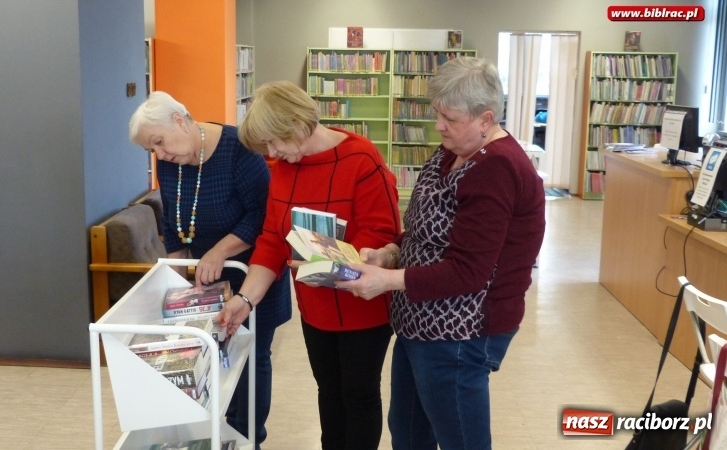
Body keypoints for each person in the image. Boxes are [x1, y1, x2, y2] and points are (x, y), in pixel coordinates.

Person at [336, 57, 546, 450]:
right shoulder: (454, 149)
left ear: (485, 118)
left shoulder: (497, 168)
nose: (438, 126)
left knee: (459, 440)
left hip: (461, 331)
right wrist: (391, 252)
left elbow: (469, 272)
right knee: (409, 432)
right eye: (437, 114)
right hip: (422, 322)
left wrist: (387, 281)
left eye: (449, 118)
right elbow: (424, 227)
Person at [215, 80, 401, 450]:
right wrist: (244, 300)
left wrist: (335, 255)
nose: (271, 153)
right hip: (315, 308)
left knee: (359, 396)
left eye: (275, 142)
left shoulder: (360, 159)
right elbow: (271, 239)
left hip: (362, 308)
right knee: (329, 393)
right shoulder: (283, 166)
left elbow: (382, 236)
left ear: (298, 125)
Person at [128, 91, 291, 448]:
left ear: (179, 120)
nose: (160, 154)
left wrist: (220, 250)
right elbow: (172, 219)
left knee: (251, 357)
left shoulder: (238, 148)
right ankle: (217, 435)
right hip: (206, 279)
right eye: (151, 150)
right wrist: (175, 276)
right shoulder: (171, 160)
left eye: (159, 142)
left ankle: (248, 437)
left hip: (252, 270)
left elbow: (264, 215)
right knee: (212, 355)